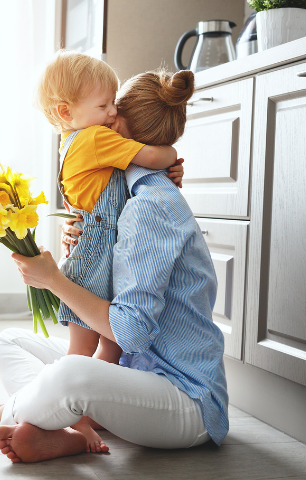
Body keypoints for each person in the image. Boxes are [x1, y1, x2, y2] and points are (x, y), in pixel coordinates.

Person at [0, 68, 228, 463]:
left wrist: (53, 280)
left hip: (184, 400)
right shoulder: (126, 192)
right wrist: (82, 235)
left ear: (117, 128)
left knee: (71, 373)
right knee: (12, 342)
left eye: (110, 107)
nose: (102, 117)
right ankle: (65, 429)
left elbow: (131, 334)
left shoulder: (150, 206)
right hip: (133, 375)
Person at [33, 50, 185, 450]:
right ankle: (68, 416)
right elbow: (151, 155)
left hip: (94, 248)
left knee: (105, 344)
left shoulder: (73, 140)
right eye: (104, 105)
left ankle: (79, 416)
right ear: (67, 111)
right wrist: (171, 154)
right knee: (89, 348)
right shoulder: (95, 137)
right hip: (95, 253)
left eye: (115, 103)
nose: (112, 112)